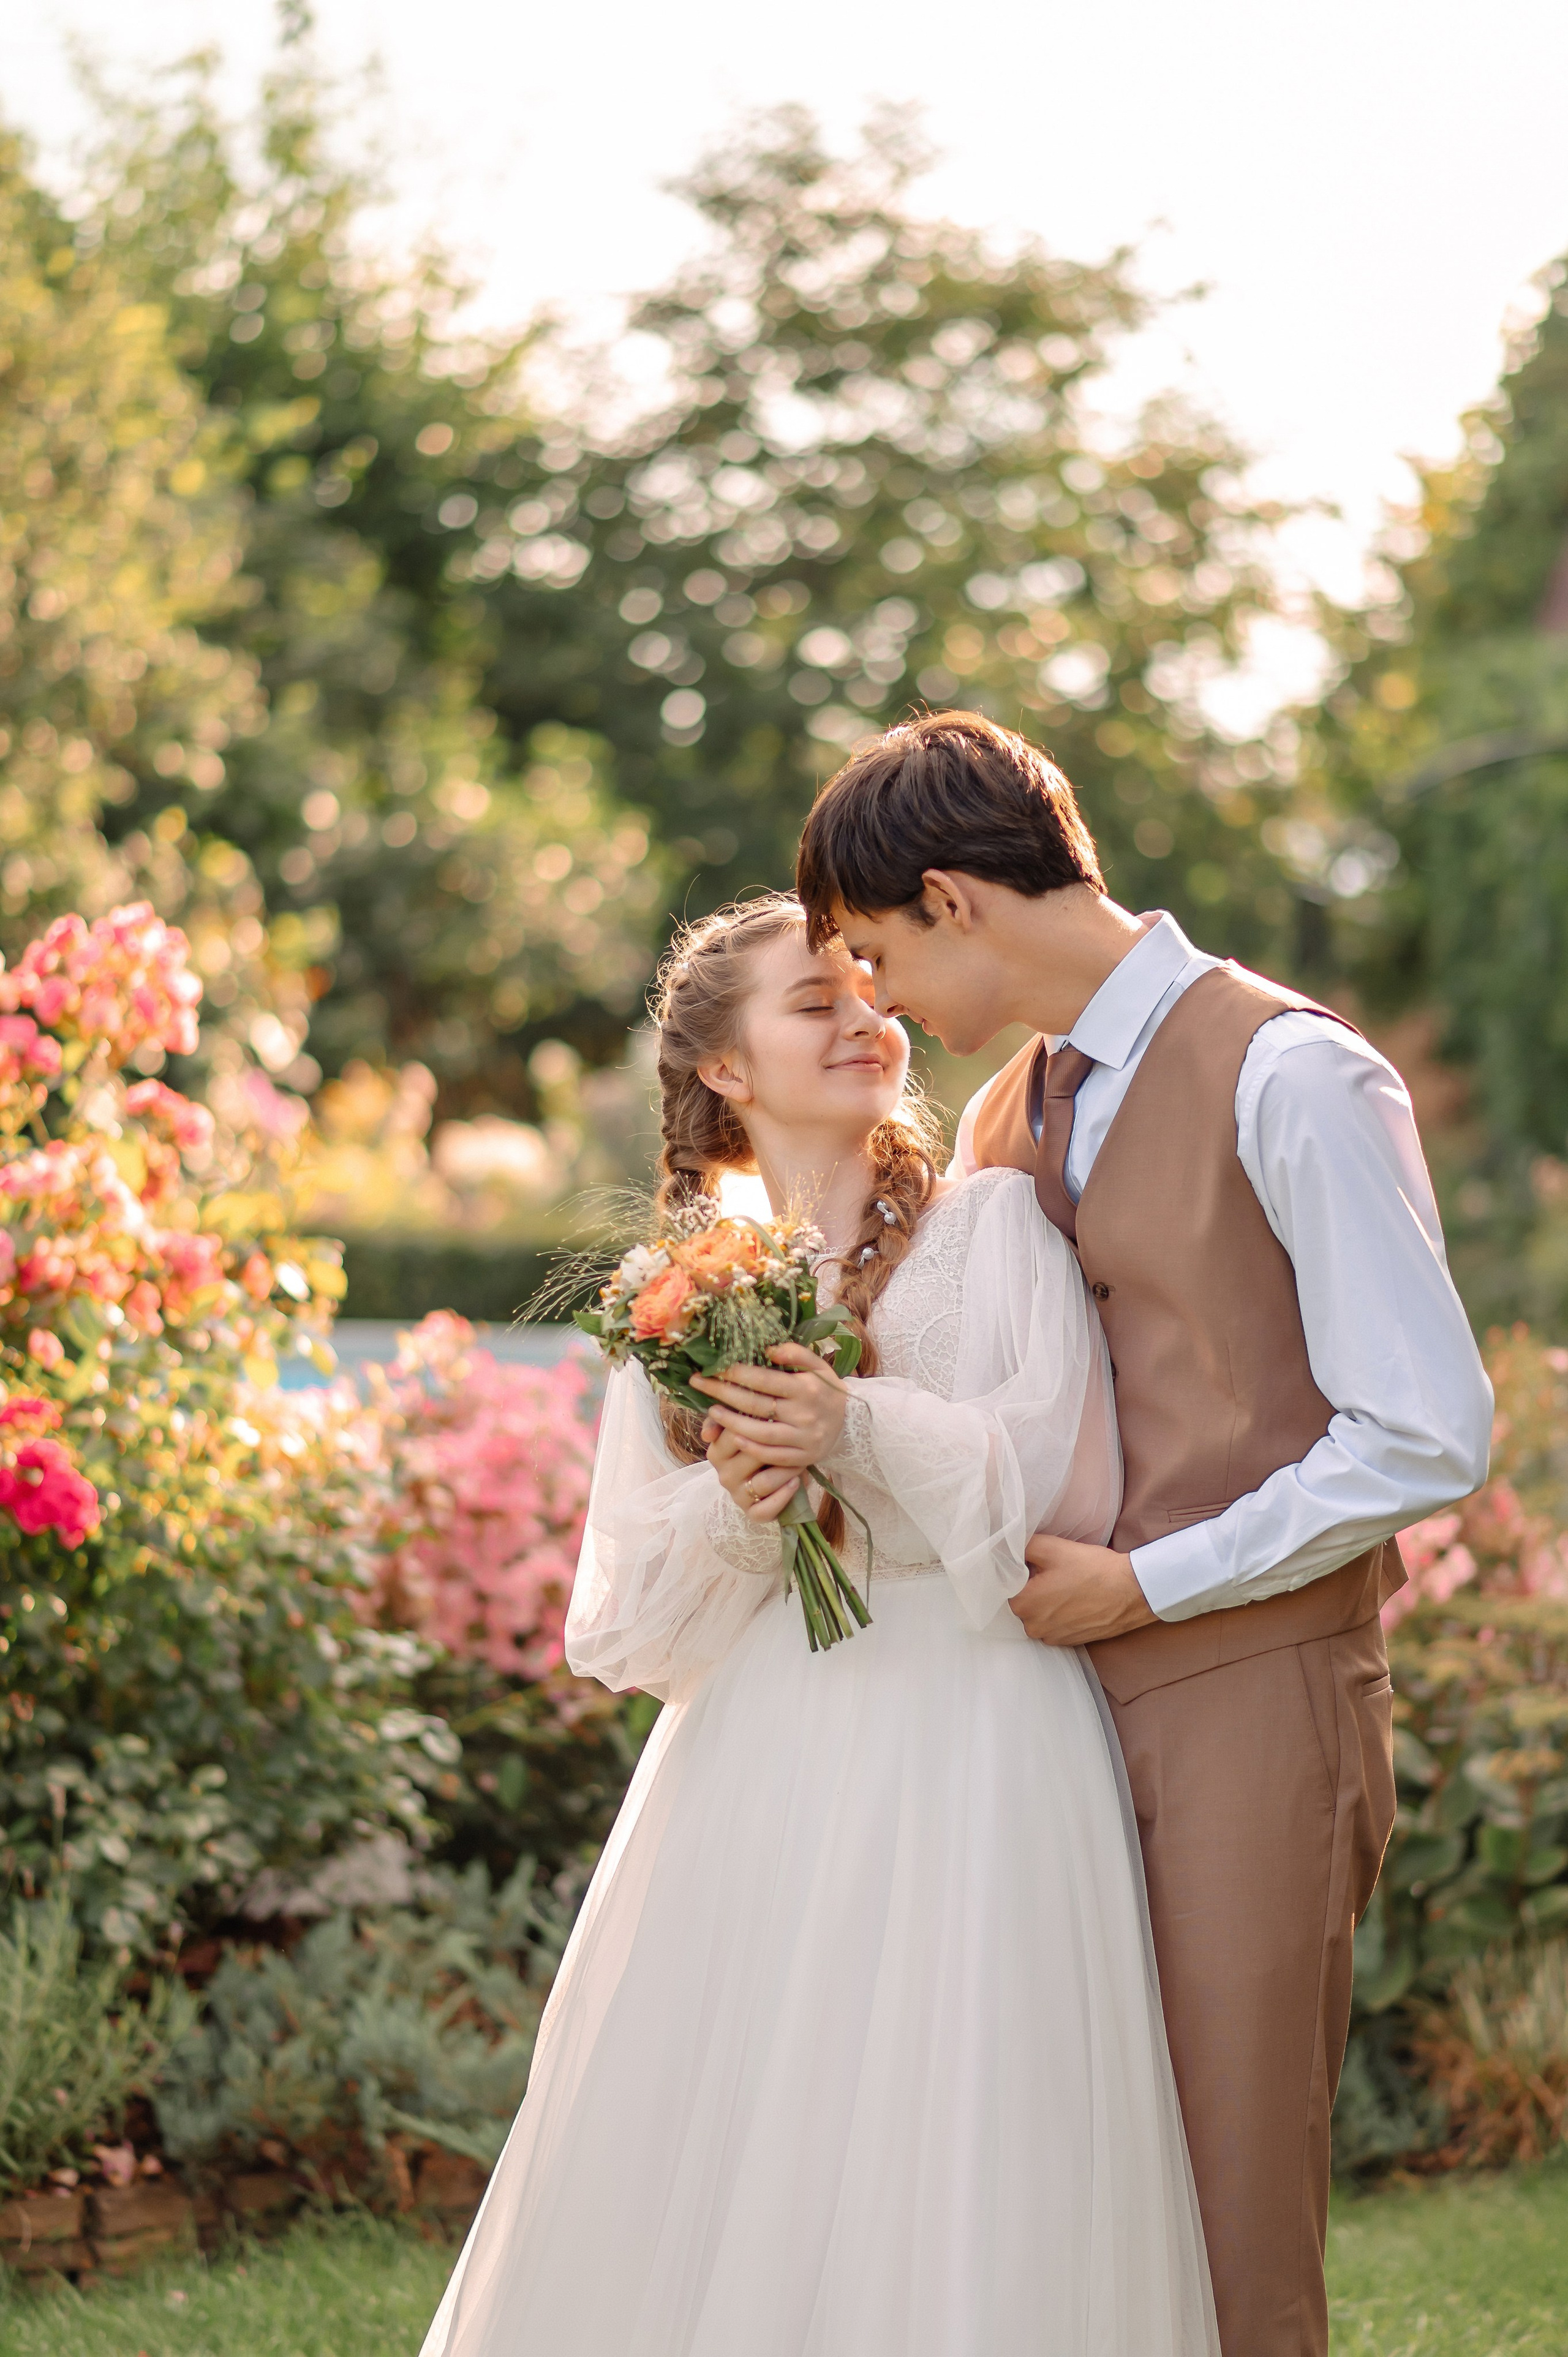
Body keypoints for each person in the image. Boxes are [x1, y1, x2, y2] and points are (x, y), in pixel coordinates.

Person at [420, 891, 1219, 2357]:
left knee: (962, 2124)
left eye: (872, 988)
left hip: (976, 1727)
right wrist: (742, 1495)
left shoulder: (992, 1225)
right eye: (812, 1001)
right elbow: (633, 1626)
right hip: (764, 1749)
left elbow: (1062, 1472)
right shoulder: (673, 1299)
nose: (866, 1019)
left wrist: (848, 1424)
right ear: (722, 1066)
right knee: (744, 2133)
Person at [794, 709, 1494, 2357]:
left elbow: (1425, 1427)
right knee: (1062, 2198)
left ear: (957, 901)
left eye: (878, 953)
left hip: (1253, 1697)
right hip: (1031, 1726)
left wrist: (1151, 1582)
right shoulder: (999, 1122)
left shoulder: (1295, 1072)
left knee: (1231, 2204)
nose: (878, 999)